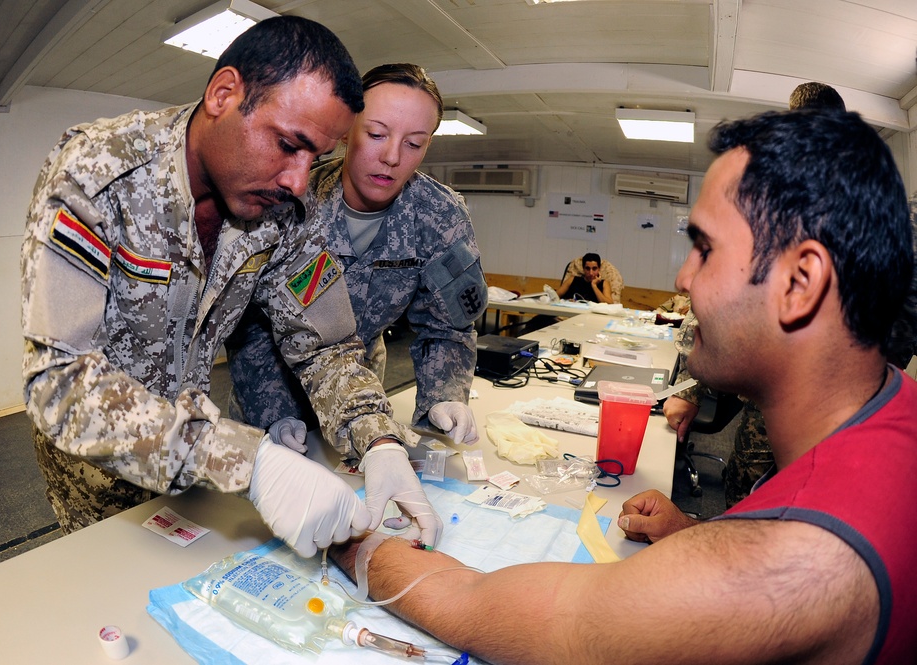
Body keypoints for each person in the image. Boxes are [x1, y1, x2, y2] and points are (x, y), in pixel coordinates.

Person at [329, 108, 917, 664]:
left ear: (801, 282)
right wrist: (693, 532)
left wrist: (350, 538)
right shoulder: (890, 409)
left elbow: (488, 609)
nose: (684, 280)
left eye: (705, 250)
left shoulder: (793, 566)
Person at [21, 16, 440, 557]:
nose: (298, 179)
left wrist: (378, 438)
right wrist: (250, 462)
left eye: (317, 156)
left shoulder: (284, 209)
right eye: (289, 144)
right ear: (223, 94)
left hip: (200, 475)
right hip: (98, 477)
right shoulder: (100, 175)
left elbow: (325, 341)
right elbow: (60, 381)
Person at [226, 63, 487, 451]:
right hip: (269, 384)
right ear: (346, 130)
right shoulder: (288, 200)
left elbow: (446, 326)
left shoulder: (439, 218)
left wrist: (444, 394)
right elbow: (247, 321)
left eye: (414, 143)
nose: (392, 157)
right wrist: (274, 412)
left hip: (363, 393)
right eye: (377, 134)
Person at [664, 80, 846, 507]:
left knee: (798, 504)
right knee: (744, 488)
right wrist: (694, 388)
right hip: (770, 388)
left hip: (825, 396)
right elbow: (728, 291)